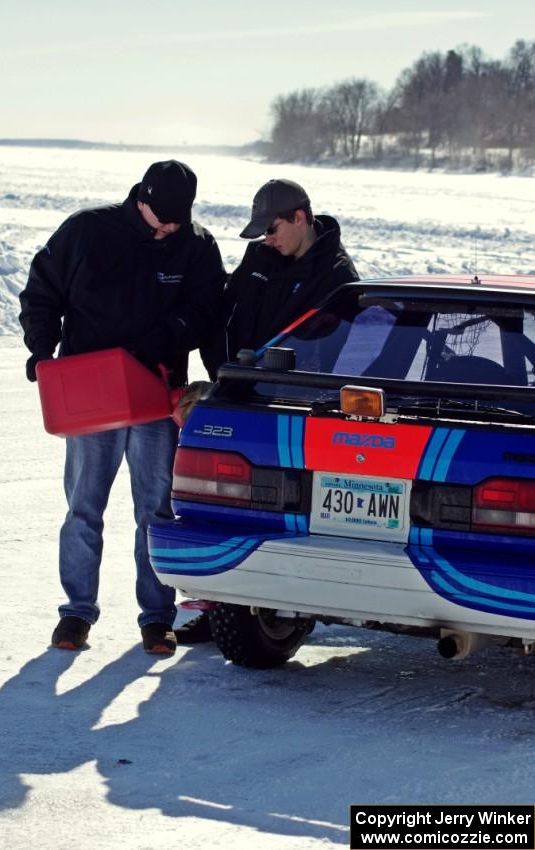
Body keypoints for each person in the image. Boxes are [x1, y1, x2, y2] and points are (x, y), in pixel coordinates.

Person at [19, 160, 226, 655]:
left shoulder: (196, 244)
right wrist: (42, 348)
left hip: (157, 393)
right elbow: (41, 290)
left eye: (179, 217)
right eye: (163, 217)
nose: (170, 227)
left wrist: (171, 335)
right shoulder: (87, 231)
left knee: (156, 510)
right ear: (142, 197)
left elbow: (207, 310)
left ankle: (157, 616)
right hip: (90, 393)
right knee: (84, 506)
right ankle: (76, 613)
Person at [176, 177, 360, 644]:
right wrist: (222, 376)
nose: (266, 239)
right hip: (239, 394)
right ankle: (223, 604)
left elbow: (333, 357)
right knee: (222, 501)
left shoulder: (338, 277)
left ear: (300, 218)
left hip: (294, 409)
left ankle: (280, 604)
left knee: (275, 506)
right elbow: (224, 314)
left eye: (272, 228)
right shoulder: (260, 257)